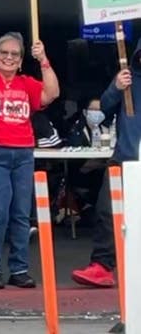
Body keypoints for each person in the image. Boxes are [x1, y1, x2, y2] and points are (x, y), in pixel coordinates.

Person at [0, 2, 59, 289]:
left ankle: (19, 270)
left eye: (14, 55)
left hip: (22, 154)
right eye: (4, 53)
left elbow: (51, 93)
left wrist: (43, 58)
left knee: (21, 214)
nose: (9, 58)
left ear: (21, 60)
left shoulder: (27, 82)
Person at [71, 46, 141, 288]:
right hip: (125, 157)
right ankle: (101, 266)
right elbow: (101, 113)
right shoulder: (128, 78)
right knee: (106, 212)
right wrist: (116, 88)